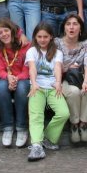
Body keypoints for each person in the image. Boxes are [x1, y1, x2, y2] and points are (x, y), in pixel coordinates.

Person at [26, 22, 69, 161]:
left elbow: (57, 67)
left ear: (51, 37)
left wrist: (57, 82)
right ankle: (36, 145)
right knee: (36, 115)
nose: (42, 39)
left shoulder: (58, 53)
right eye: (39, 36)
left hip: (52, 87)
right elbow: (32, 68)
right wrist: (33, 83)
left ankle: (48, 138)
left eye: (45, 36)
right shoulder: (32, 51)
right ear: (35, 37)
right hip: (37, 87)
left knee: (64, 113)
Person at [0, 17, 31, 148]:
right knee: (0, 87)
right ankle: (7, 127)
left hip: (22, 78)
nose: (4, 34)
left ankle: (21, 127)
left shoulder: (25, 45)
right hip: (7, 78)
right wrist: (8, 77)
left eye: (6, 30)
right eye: (0, 32)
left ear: (12, 30)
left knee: (22, 87)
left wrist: (16, 79)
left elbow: (27, 70)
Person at [56, 13, 87, 144]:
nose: (71, 27)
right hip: (64, 79)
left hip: (81, 77)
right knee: (73, 92)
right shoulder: (57, 43)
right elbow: (56, 66)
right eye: (68, 24)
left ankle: (83, 125)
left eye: (75, 24)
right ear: (64, 27)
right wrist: (68, 67)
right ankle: (74, 125)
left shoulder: (86, 44)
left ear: (81, 28)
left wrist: (85, 82)